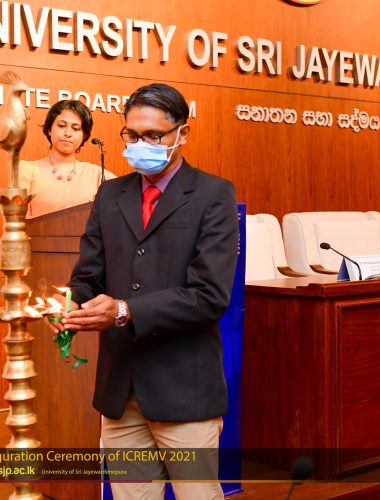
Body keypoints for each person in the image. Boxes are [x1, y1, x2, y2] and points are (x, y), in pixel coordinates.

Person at [51, 83, 239, 499]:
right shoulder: (110, 194)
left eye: (153, 136)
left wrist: (123, 310)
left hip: (184, 390)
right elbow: (88, 276)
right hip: (120, 390)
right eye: (132, 135)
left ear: (182, 133)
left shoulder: (213, 195)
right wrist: (67, 304)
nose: (140, 145)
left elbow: (209, 295)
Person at [19, 99, 115, 218]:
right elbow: (17, 221)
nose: (68, 133)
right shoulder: (27, 169)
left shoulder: (98, 174)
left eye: (75, 128)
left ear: (84, 135)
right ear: (49, 129)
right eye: (61, 126)